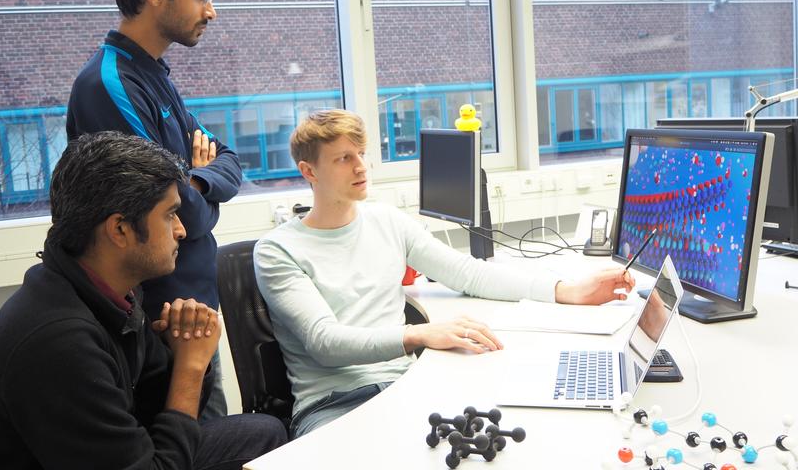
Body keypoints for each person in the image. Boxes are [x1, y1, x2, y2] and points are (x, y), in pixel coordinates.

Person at [254, 109, 636, 438]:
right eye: (342, 159)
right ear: (309, 171)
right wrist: (420, 333)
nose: (360, 167)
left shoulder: (386, 221)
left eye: (362, 154)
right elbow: (326, 343)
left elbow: (468, 274)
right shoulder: (277, 250)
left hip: (406, 388)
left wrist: (565, 289)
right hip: (334, 406)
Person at [0, 132, 285, 469]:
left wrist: (183, 350)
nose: (180, 230)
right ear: (120, 230)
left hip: (128, 452)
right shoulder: (59, 341)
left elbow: (156, 406)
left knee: (264, 433)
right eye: (169, 215)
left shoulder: (115, 291)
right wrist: (191, 367)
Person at [66, 0, 239, 420]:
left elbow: (227, 159)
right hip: (161, 324)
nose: (211, 10)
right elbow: (184, 215)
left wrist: (199, 178)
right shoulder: (111, 85)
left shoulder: (154, 74)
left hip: (193, 313)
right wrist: (193, 188)